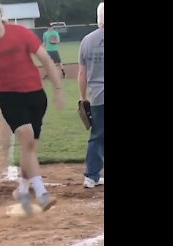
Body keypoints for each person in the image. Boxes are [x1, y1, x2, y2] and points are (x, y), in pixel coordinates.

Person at [0, 0, 65, 215]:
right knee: (26, 135)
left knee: (29, 147)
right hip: (9, 96)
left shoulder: (21, 33)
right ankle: (41, 193)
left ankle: (22, 189)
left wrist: (57, 89)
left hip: (36, 94)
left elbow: (46, 59)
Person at [78, 2, 104, 188]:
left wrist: (83, 97)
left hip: (97, 96)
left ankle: (91, 176)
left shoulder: (86, 40)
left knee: (97, 135)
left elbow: (82, 73)